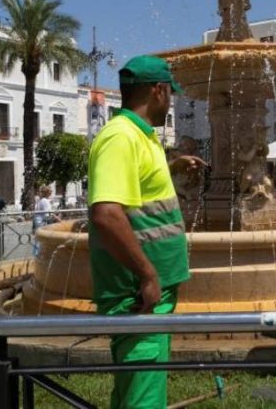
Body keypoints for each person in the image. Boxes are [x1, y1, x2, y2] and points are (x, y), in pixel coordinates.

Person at [88, 55, 206, 409]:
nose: (171, 99)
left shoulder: (142, 137)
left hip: (150, 289)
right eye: (170, 91)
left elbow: (135, 193)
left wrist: (171, 166)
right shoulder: (120, 137)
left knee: (135, 386)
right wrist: (147, 274)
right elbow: (106, 215)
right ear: (157, 91)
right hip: (137, 293)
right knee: (143, 394)